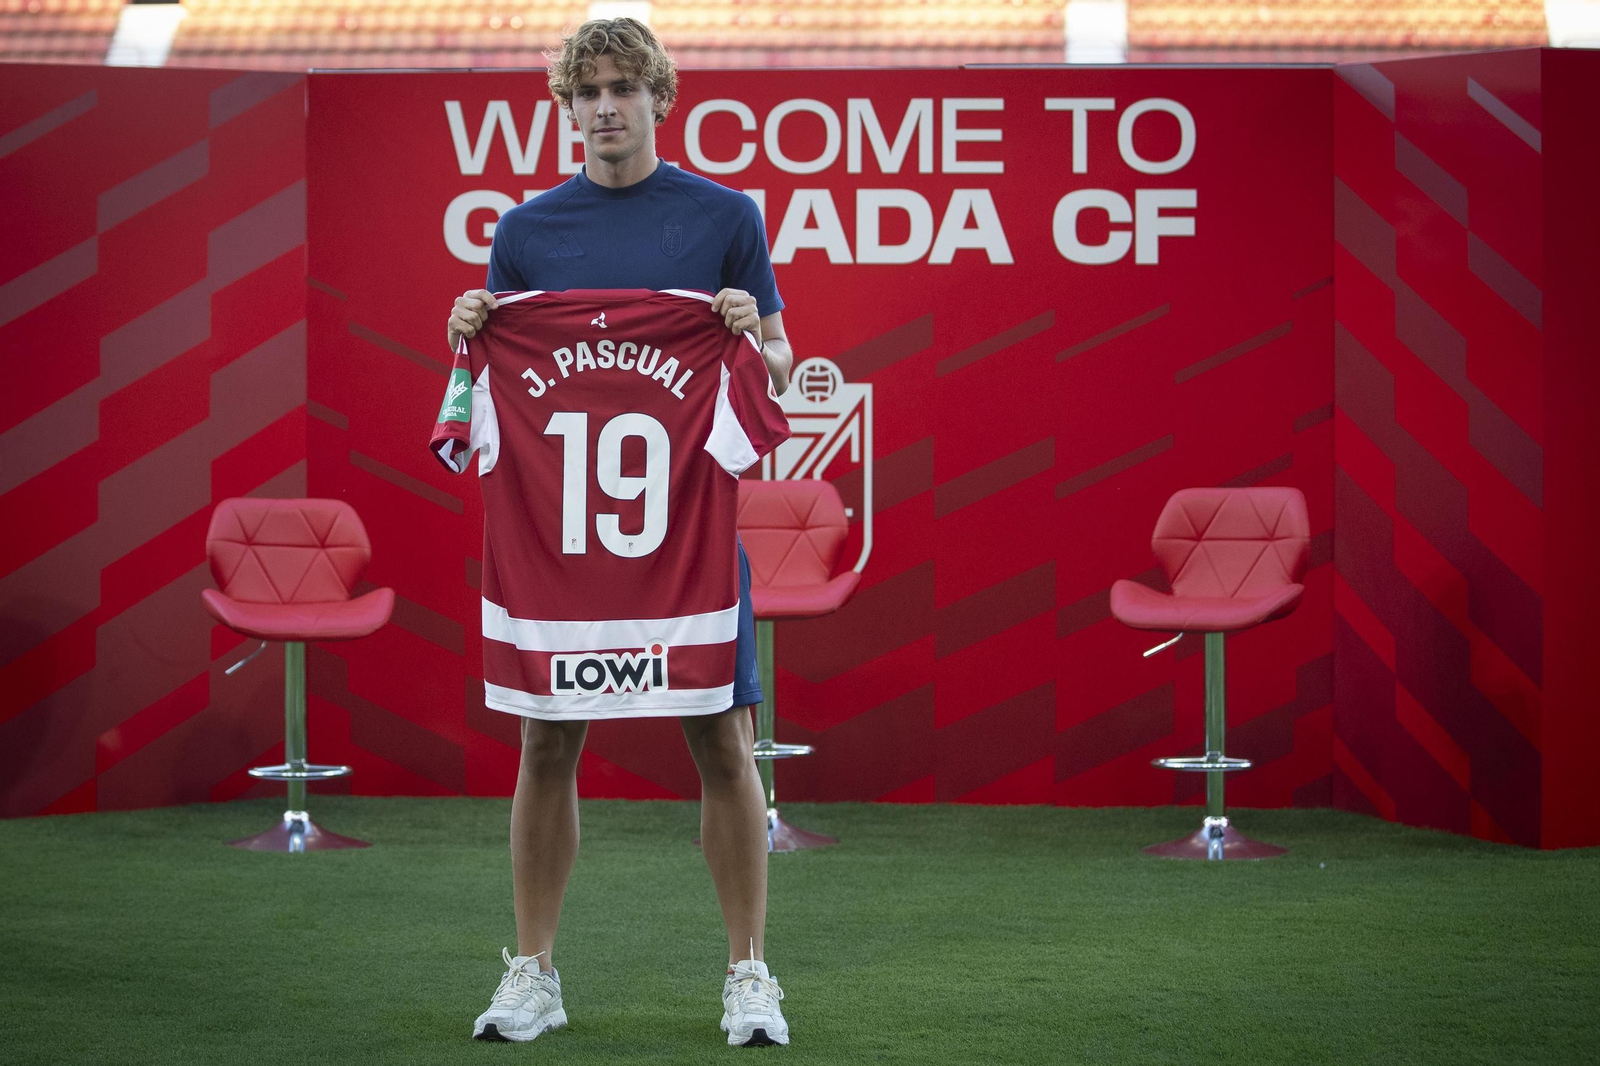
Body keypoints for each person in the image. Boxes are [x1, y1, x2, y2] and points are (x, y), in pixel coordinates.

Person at [444, 17, 797, 1049]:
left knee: (723, 743)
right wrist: (469, 328)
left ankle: (748, 972)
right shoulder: (526, 232)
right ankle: (533, 971)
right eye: (585, 90)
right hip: (564, 542)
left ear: (659, 98)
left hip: (684, 534)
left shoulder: (724, 215)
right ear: (566, 106)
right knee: (544, 738)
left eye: (622, 88)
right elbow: (498, 377)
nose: (603, 106)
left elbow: (781, 364)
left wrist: (748, 334)